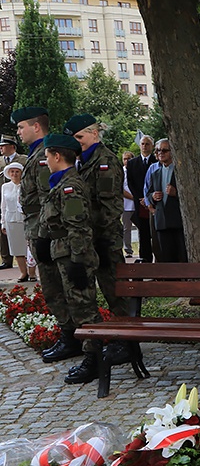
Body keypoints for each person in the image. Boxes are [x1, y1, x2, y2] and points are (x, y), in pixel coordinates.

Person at [13, 106, 78, 362]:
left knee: (55, 288)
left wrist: (41, 237)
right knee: (52, 287)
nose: (18, 132)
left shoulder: (44, 156)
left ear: (36, 126)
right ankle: (69, 335)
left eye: (21, 127)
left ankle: (71, 338)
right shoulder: (37, 154)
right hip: (40, 232)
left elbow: (46, 200)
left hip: (46, 235)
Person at [42, 133, 103, 384]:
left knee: (85, 309)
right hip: (64, 253)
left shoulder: (70, 187)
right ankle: (88, 354)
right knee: (76, 307)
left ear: (57, 156)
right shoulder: (60, 183)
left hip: (73, 256)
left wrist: (78, 260)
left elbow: (78, 226)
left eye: (47, 156)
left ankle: (95, 359)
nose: (45, 161)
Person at [64, 114, 128, 327]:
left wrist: (99, 235)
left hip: (105, 237)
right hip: (90, 237)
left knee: (115, 290)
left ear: (94, 133)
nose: (76, 141)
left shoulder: (105, 161)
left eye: (79, 136)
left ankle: (127, 339)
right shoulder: (82, 161)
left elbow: (112, 206)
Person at [145, 139, 187, 263]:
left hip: (178, 222)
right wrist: (152, 196)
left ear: (172, 152)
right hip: (162, 222)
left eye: (164, 150)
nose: (160, 153)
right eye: (158, 150)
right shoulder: (155, 173)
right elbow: (147, 194)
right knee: (166, 259)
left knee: (182, 258)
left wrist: (177, 193)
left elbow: (191, 196)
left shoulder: (181, 172)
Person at [1, 162, 34, 282]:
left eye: (17, 171)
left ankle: (32, 273)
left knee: (29, 247)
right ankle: (23, 273)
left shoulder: (26, 186)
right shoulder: (5, 187)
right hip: (11, 220)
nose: (14, 174)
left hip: (25, 219)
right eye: (12, 172)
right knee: (16, 248)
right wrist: (3, 222)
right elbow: (3, 206)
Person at [126, 135, 156, 262]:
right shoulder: (132, 163)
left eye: (147, 144)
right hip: (140, 203)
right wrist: (140, 198)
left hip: (155, 202)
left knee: (155, 233)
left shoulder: (156, 161)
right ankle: (145, 258)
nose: (145, 146)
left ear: (152, 146)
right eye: (143, 144)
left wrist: (149, 198)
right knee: (143, 233)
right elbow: (131, 183)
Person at [0, 134, 27, 270]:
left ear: (12, 147)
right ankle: (6, 259)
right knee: (4, 231)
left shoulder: (23, 159)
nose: (1, 148)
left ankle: (29, 265)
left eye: (4, 146)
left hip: (21, 197)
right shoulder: (0, 161)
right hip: (4, 196)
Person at [121, 151, 135, 258]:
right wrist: (132, 197)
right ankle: (128, 250)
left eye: (129, 158)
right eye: (125, 159)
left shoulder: (136, 170)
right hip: (126, 204)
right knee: (127, 228)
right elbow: (120, 189)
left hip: (138, 204)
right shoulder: (121, 172)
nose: (127, 161)